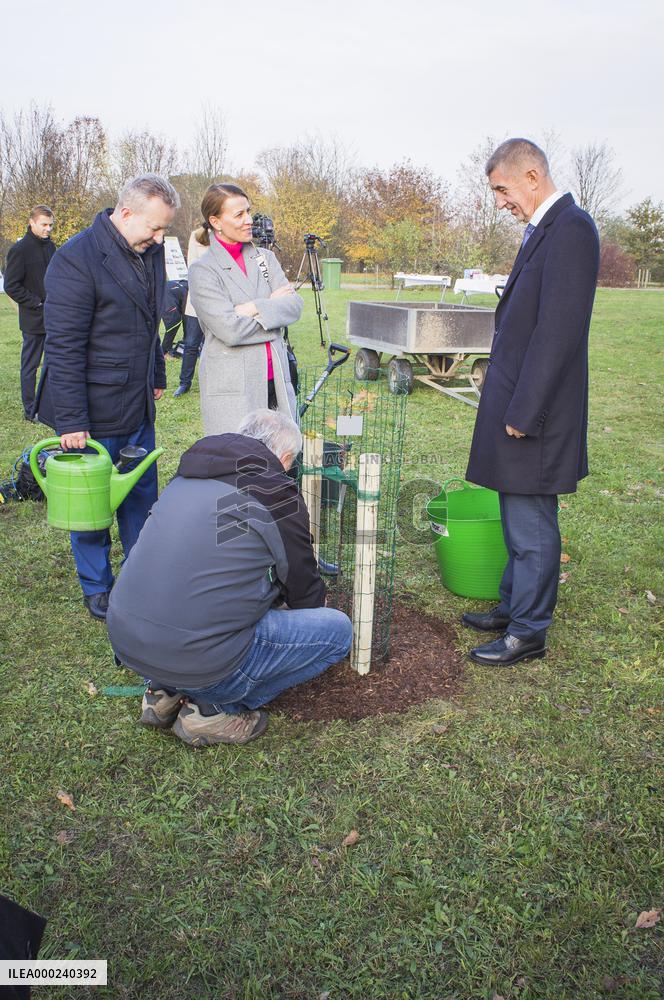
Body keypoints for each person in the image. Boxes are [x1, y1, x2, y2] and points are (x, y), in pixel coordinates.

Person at [107, 409, 352, 747]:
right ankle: (212, 709)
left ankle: (161, 693)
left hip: (127, 638)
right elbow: (303, 588)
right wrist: (307, 605)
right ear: (284, 458)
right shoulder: (277, 494)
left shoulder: (186, 476)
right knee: (338, 632)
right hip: (198, 657)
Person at [463, 138, 600, 667]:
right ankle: (511, 605)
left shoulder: (571, 228)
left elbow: (557, 332)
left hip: (535, 410)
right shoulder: (545, 228)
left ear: (532, 177)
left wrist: (525, 411)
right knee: (514, 508)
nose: (500, 202)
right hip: (517, 397)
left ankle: (528, 631)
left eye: (502, 190)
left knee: (532, 521)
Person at [35, 174, 180, 621]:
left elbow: (150, 321)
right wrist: (71, 420)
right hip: (92, 411)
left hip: (136, 402)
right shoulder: (75, 259)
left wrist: (156, 371)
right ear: (126, 212)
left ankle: (140, 579)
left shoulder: (150, 250)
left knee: (140, 494)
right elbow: (63, 347)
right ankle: (97, 586)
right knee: (91, 501)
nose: (159, 238)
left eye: (164, 229)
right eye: (154, 227)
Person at [187, 183, 303, 433]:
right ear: (216, 222)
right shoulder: (202, 270)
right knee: (241, 454)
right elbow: (230, 330)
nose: (249, 220)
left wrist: (250, 308)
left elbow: (294, 306)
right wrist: (273, 313)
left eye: (248, 211)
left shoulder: (265, 258)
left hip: (276, 383)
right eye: (239, 214)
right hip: (234, 388)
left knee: (280, 454)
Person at [3, 205, 56, 420]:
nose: (48, 229)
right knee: (30, 366)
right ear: (32, 222)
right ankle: (30, 409)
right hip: (33, 320)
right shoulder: (20, 250)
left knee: (54, 364)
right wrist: (36, 302)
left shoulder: (51, 247)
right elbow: (11, 286)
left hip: (54, 318)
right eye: (44, 224)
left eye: (50, 225)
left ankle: (50, 406)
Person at [172, 227, 207, 397]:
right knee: (191, 343)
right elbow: (192, 268)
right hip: (198, 300)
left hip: (222, 301)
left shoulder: (229, 234)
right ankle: (184, 383)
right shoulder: (197, 235)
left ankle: (214, 381)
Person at [160, 278, 188, 359]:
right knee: (173, 323)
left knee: (176, 322)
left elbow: (186, 318)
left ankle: (164, 349)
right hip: (165, 295)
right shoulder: (187, 292)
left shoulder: (181, 288)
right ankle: (164, 352)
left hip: (163, 292)